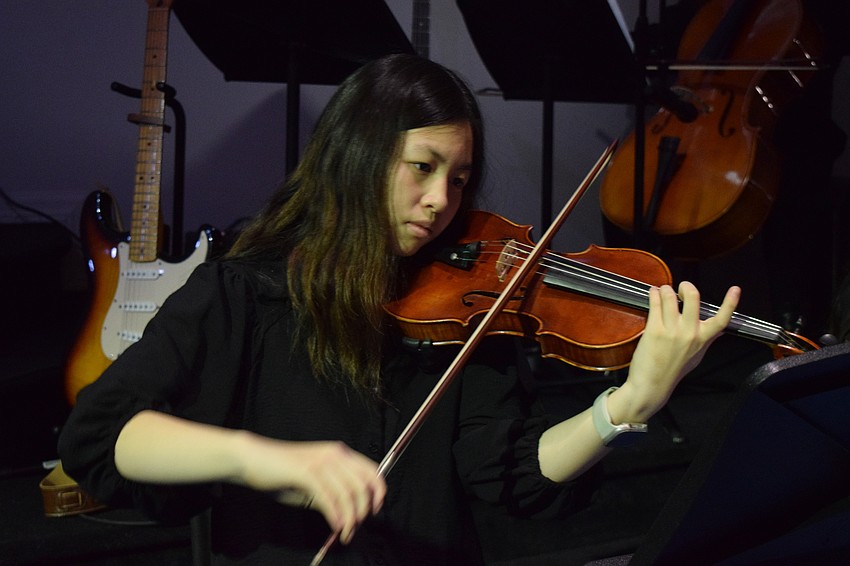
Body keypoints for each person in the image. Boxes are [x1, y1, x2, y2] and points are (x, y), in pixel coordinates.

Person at [58, 53, 740, 565]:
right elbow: (98, 436)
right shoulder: (244, 293)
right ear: (358, 156)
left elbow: (512, 474)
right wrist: (261, 459)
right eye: (423, 166)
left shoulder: (465, 312)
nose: (443, 199)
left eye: (461, 177)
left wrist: (624, 407)